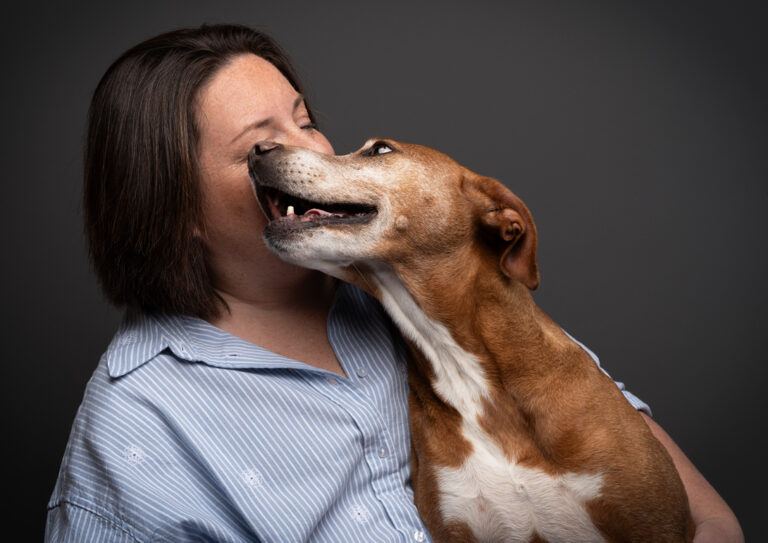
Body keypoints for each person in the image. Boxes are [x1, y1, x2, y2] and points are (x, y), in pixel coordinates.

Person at [46, 24, 743, 542]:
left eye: (306, 118)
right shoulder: (137, 424)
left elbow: (704, 522)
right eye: (261, 150)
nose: (314, 152)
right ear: (170, 206)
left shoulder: (425, 290)